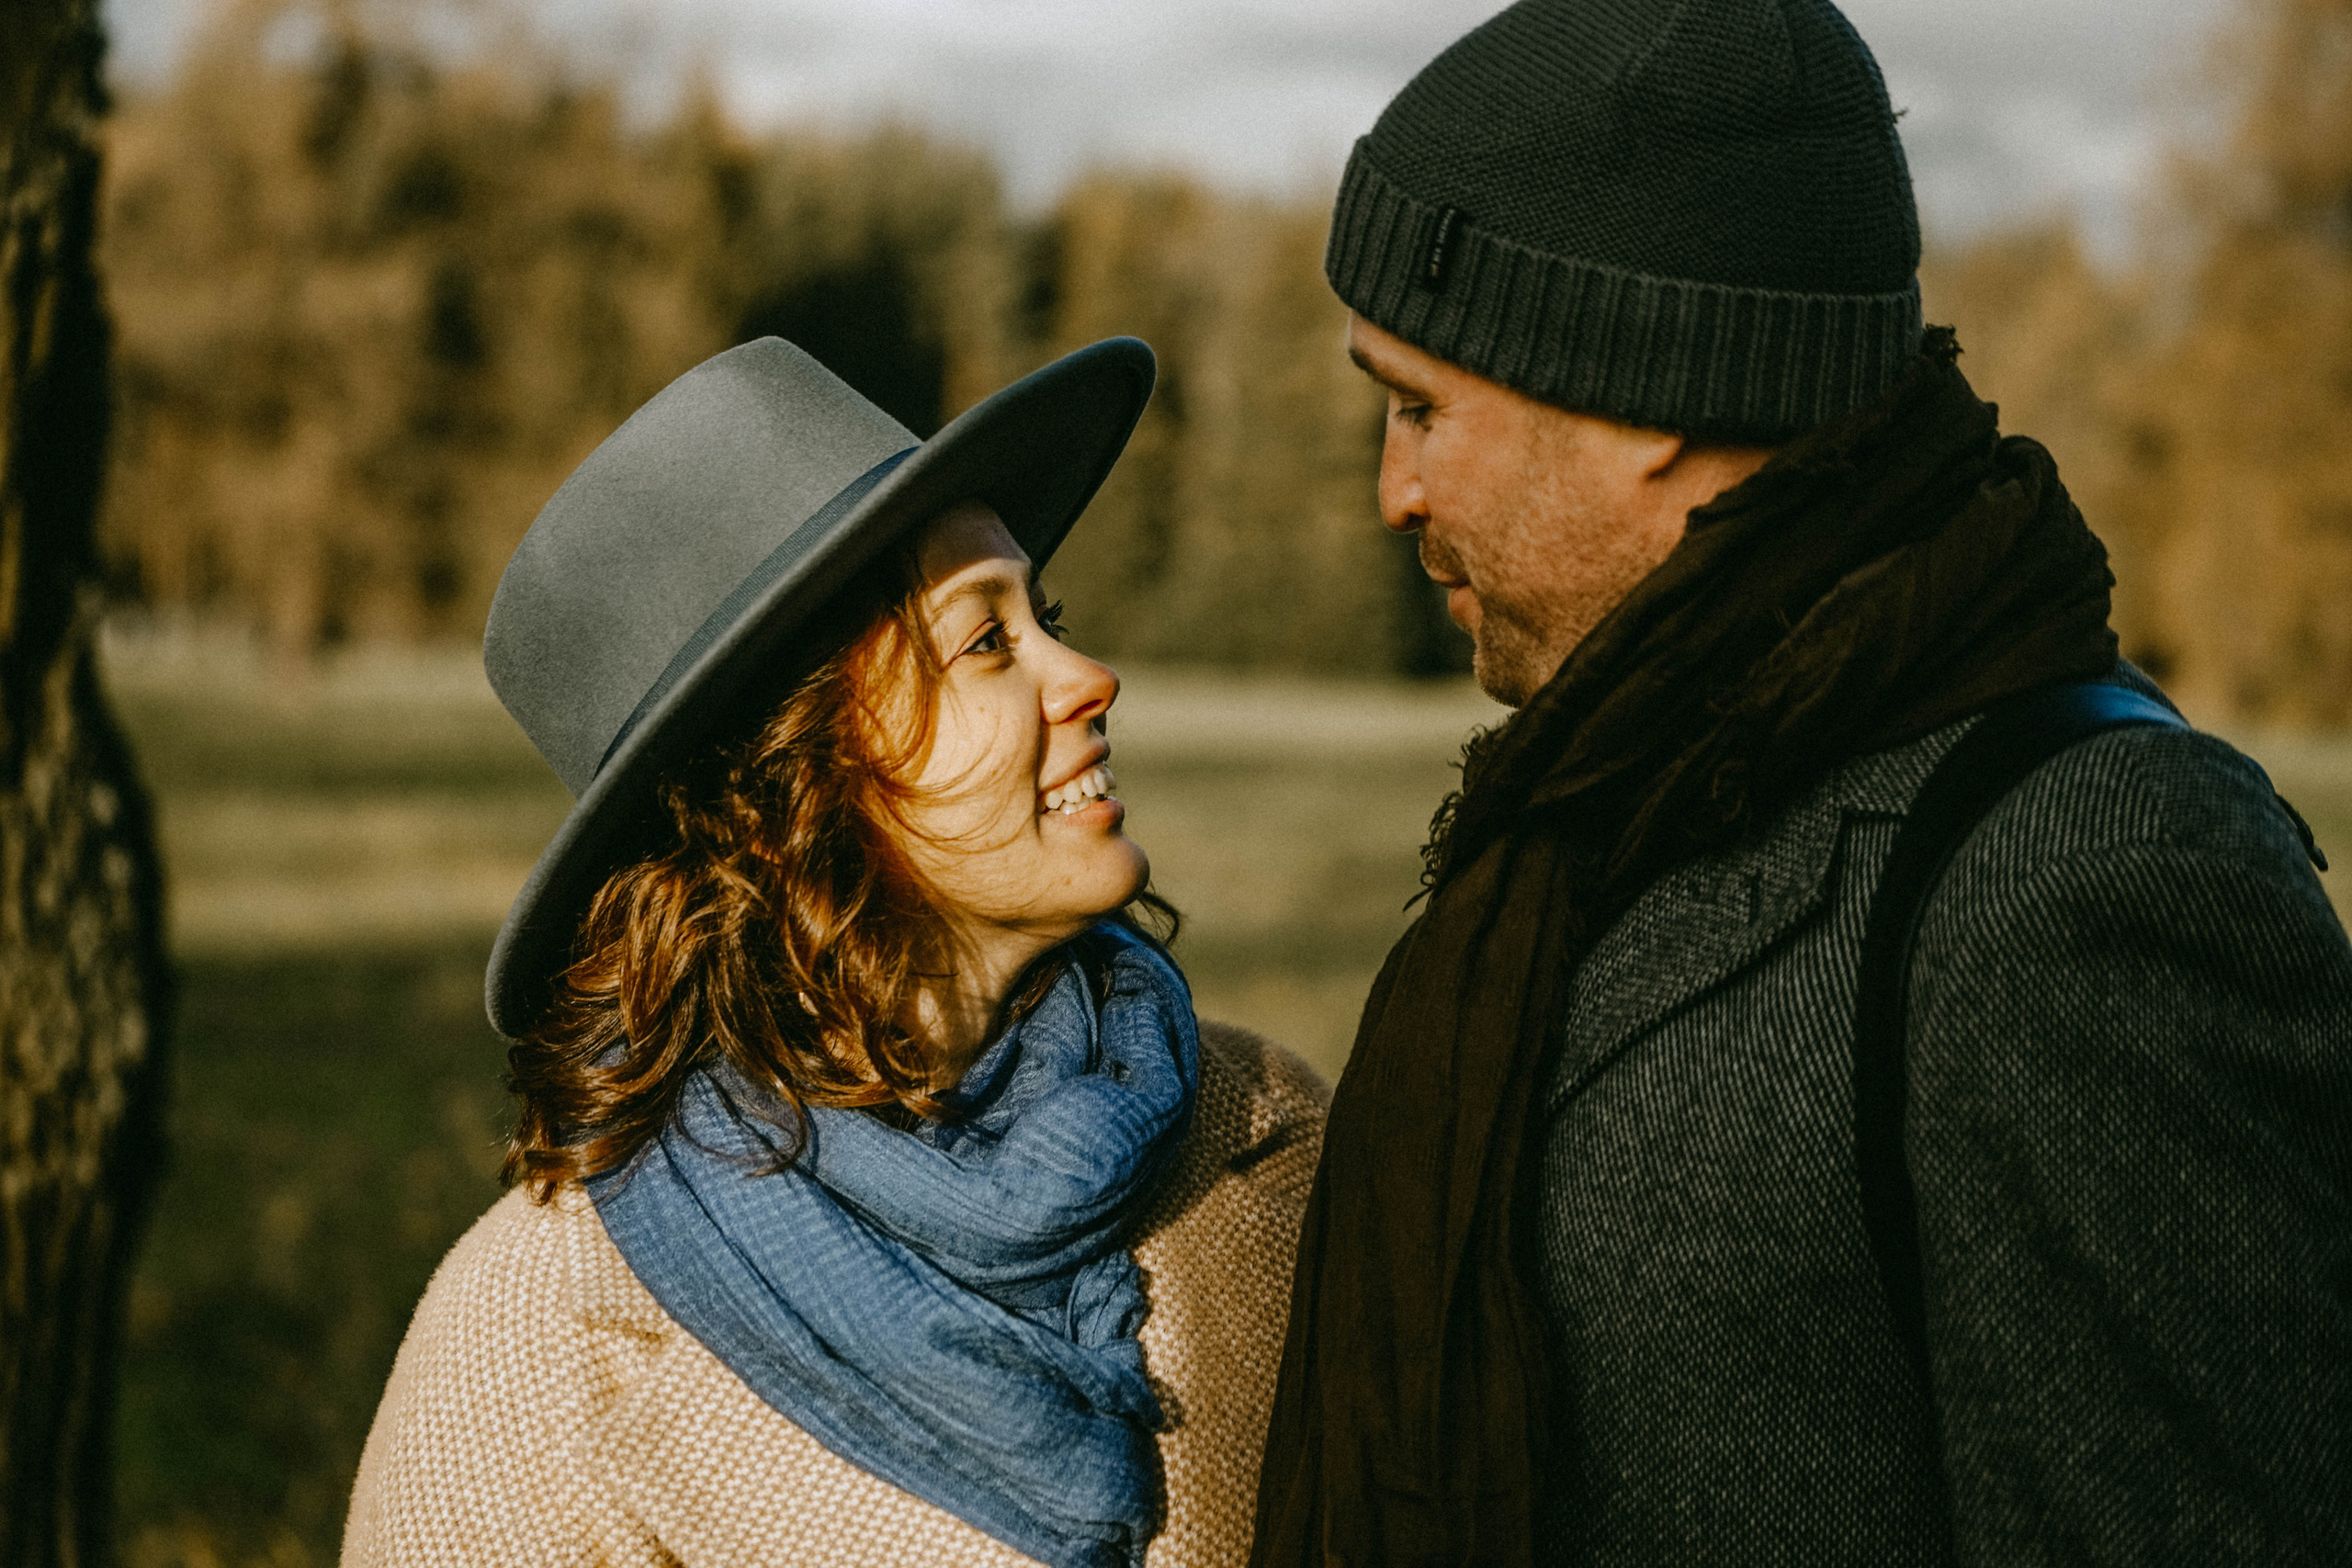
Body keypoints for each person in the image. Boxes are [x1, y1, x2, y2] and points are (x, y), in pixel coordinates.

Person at [1250, 2, 2352, 1565]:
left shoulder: (2084, 879)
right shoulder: (1614, 799)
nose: (1392, 490)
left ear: (1644, 398)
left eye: (1424, 405)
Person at [341, 336, 1328, 1568]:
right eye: (986, 643)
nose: (1089, 678)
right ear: (783, 786)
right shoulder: (537, 1338)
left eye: (1049, 617)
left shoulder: (1267, 1139)